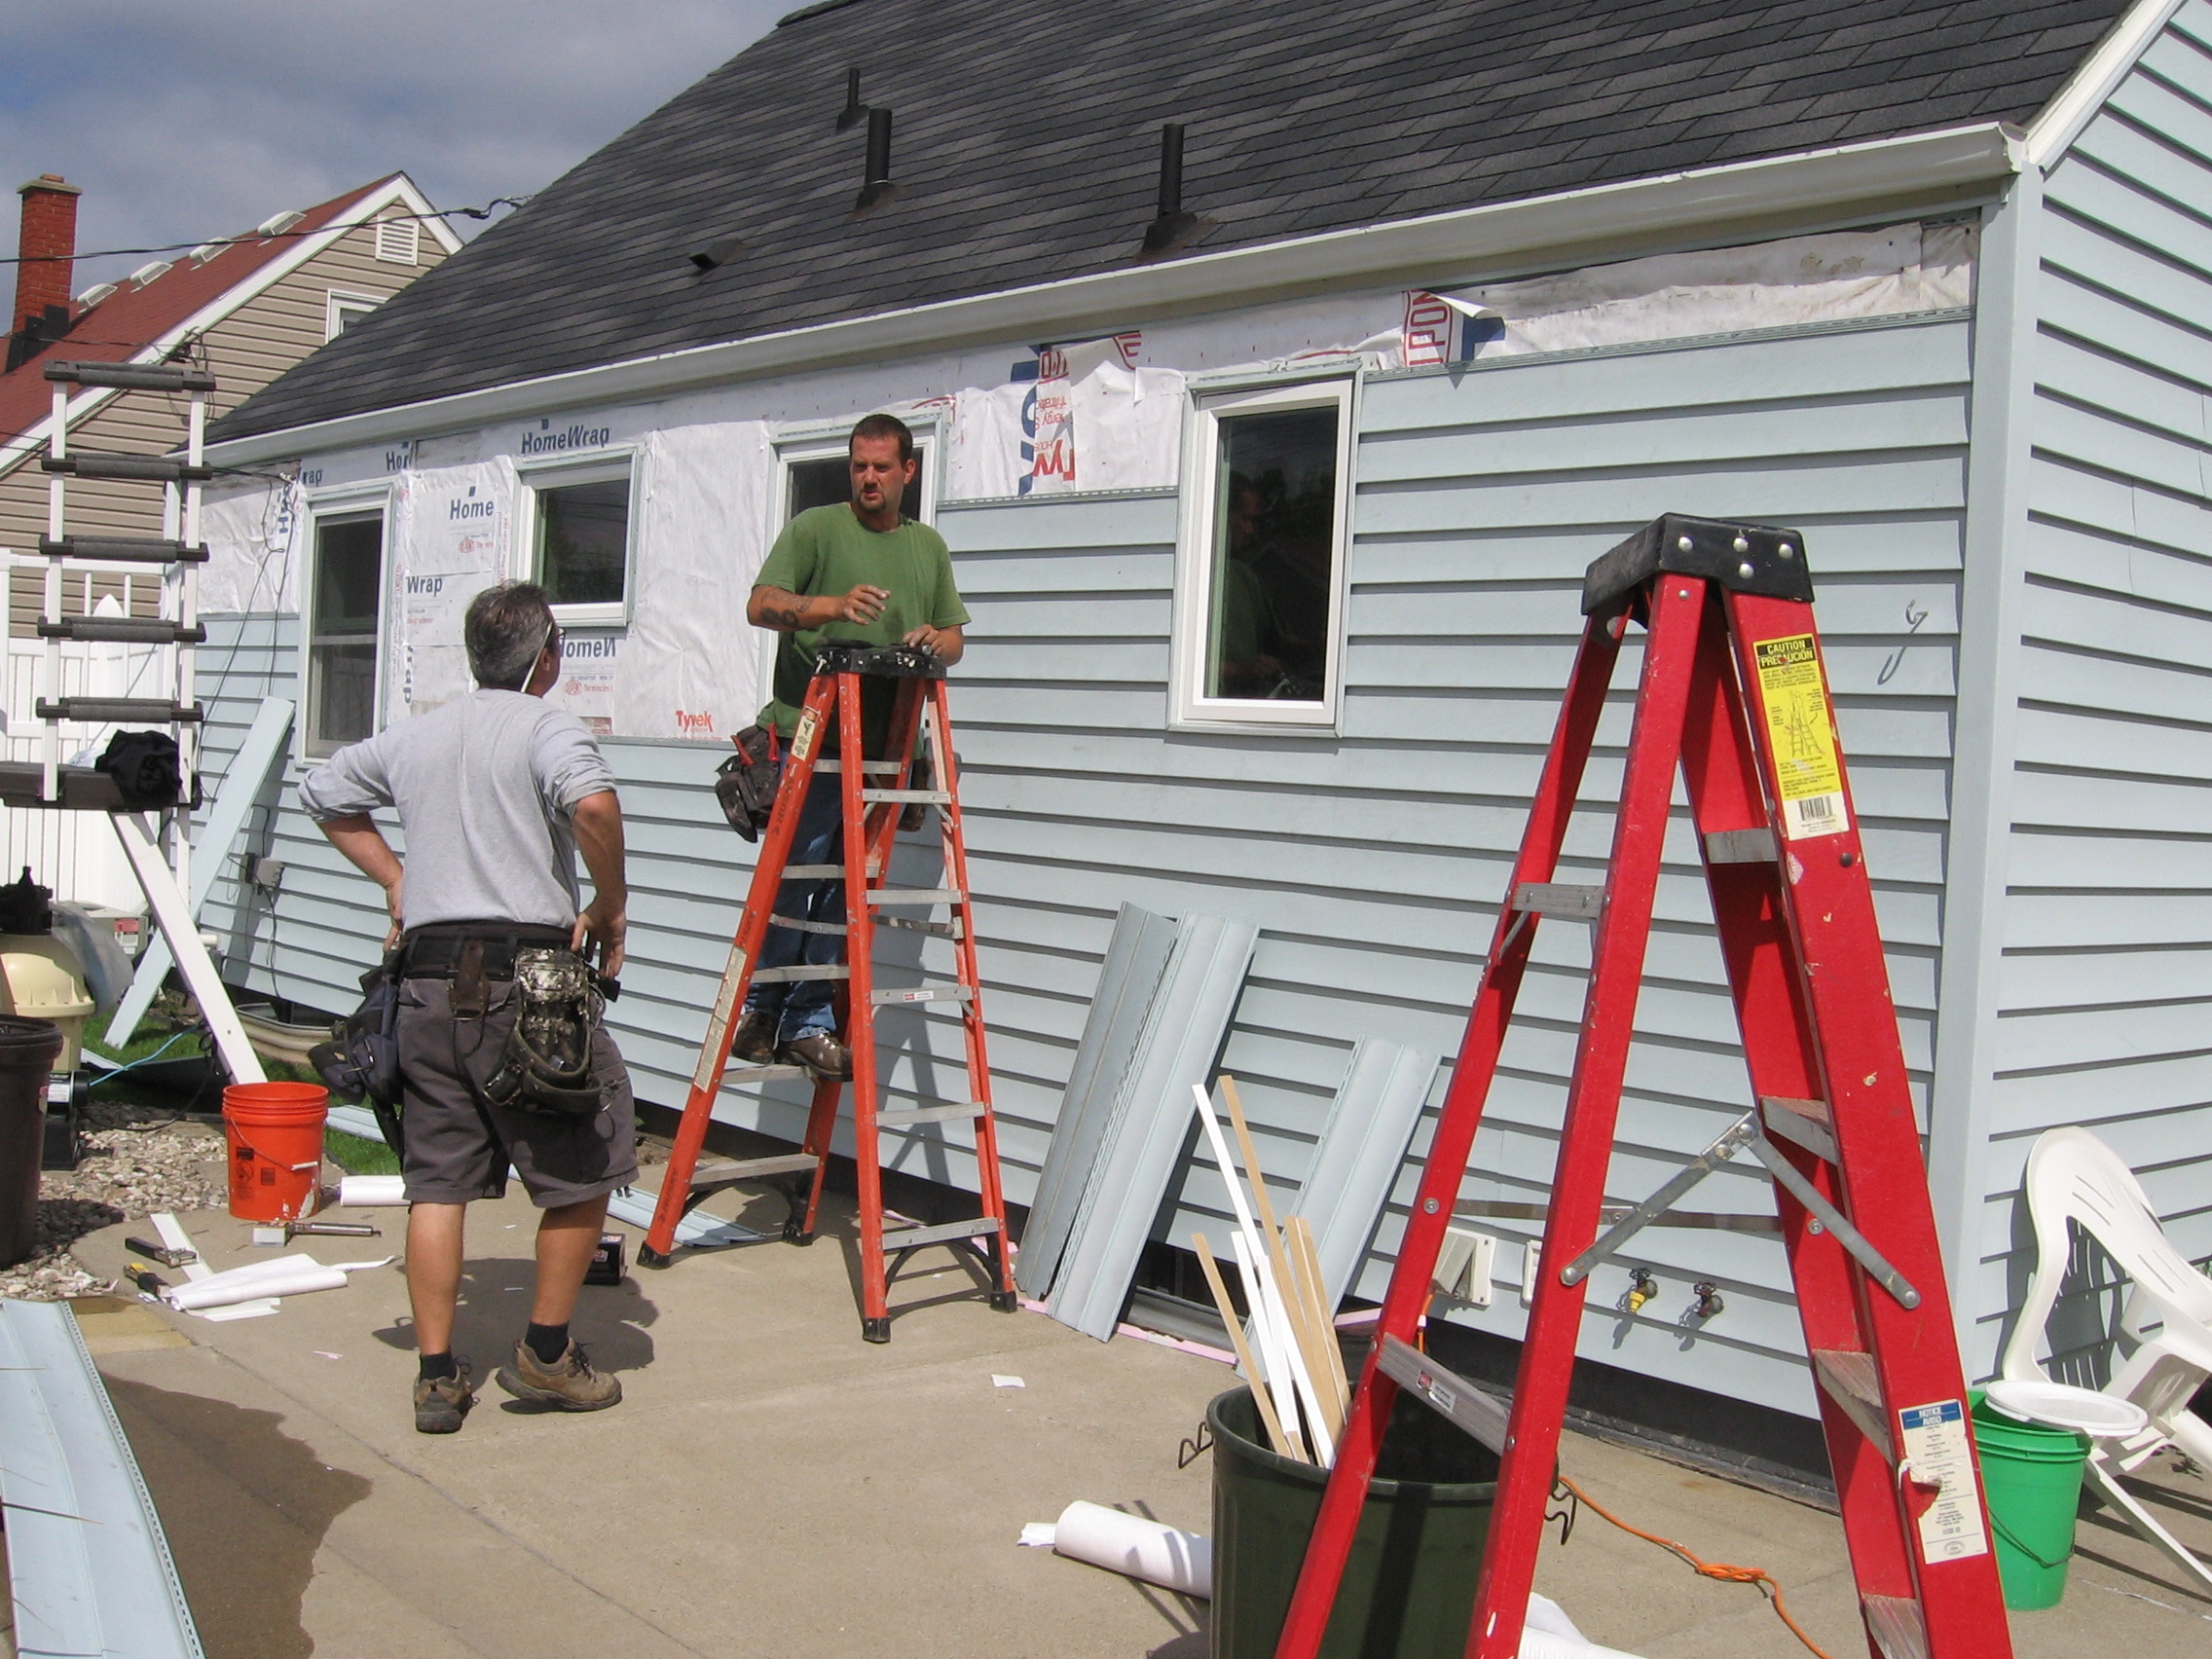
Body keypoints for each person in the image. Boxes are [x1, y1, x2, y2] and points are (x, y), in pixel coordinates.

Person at [302, 582, 637, 1435]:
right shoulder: (544, 727)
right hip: (528, 988)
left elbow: (326, 790)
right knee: (586, 1162)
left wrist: (397, 880)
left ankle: (438, 1377)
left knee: (437, 1184)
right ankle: (547, 1357)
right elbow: (593, 806)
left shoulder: (419, 734)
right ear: (548, 653)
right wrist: (610, 903)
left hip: (425, 987)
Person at [734, 412, 969, 1078]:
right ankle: (760, 1008)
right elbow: (760, 605)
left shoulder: (927, 548)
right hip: (809, 740)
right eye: (859, 466)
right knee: (796, 875)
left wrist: (931, 639)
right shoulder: (816, 529)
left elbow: (955, 639)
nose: (869, 477)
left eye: (882, 467)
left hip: (883, 749)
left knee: (845, 889)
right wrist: (831, 606)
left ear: (907, 472)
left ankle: (806, 1020)